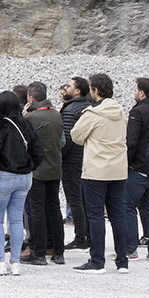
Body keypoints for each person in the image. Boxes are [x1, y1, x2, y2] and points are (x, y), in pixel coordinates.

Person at [69, 72, 130, 273]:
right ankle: (122, 261)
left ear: (95, 90)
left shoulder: (92, 114)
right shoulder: (121, 112)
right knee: (117, 215)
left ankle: (97, 260)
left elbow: (76, 135)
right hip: (118, 170)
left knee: (95, 216)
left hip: (96, 170)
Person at [0, 89, 39, 275]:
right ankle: (15, 262)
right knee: (16, 219)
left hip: (3, 175)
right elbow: (39, 152)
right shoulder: (27, 125)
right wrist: (29, 167)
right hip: (24, 176)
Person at [21, 81, 65, 265]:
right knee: (54, 209)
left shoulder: (31, 118)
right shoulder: (57, 115)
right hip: (55, 167)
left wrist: (24, 115)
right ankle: (58, 252)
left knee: (37, 210)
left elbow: (24, 144)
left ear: (30, 98)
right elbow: (62, 142)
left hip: (38, 169)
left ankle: (38, 253)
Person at [125, 77, 149, 261]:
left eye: (135, 90)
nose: (134, 93)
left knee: (128, 207)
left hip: (138, 167)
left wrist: (126, 164)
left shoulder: (137, 112)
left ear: (141, 92)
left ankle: (131, 249)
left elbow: (131, 141)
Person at [58, 76, 89, 249]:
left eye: (69, 86)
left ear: (77, 91)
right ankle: (88, 234)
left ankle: (80, 237)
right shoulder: (88, 107)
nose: (65, 88)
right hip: (86, 159)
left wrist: (59, 157)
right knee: (85, 199)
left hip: (71, 161)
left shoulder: (70, 110)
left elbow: (67, 139)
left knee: (75, 199)